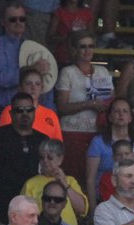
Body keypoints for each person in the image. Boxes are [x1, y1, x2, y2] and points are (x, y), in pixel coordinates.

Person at [0, 92, 50, 225]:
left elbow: (51, 172)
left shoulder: (43, 140)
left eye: (29, 110)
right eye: (19, 110)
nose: (25, 114)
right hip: (3, 211)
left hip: (37, 213)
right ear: (11, 113)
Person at [55, 31, 113, 181]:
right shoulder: (67, 72)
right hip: (73, 132)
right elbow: (62, 107)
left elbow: (112, 99)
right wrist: (89, 104)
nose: (87, 50)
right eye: (83, 47)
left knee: (95, 178)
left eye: (91, 46)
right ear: (74, 50)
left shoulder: (103, 71)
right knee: (73, 177)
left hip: (99, 132)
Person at [85, 98, 134, 208]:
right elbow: (90, 180)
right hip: (105, 198)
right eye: (116, 111)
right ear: (110, 117)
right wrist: (93, 210)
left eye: (125, 111)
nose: (121, 114)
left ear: (130, 117)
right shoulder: (98, 142)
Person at [21, 138, 87, 225]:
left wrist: (65, 185)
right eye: (41, 157)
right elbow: (24, 215)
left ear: (60, 159)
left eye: (50, 157)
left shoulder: (70, 180)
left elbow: (82, 209)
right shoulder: (30, 184)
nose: (45, 161)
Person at [0, 2, 40, 109]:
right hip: (1, 108)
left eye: (22, 19)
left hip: (28, 110)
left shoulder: (33, 47)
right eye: (13, 19)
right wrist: (31, 69)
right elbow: (2, 79)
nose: (18, 22)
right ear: (3, 22)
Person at [0, 67, 64, 141]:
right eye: (29, 84)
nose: (33, 87)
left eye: (37, 84)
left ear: (42, 88)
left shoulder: (51, 114)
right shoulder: (10, 111)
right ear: (20, 88)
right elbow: (4, 139)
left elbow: (57, 145)